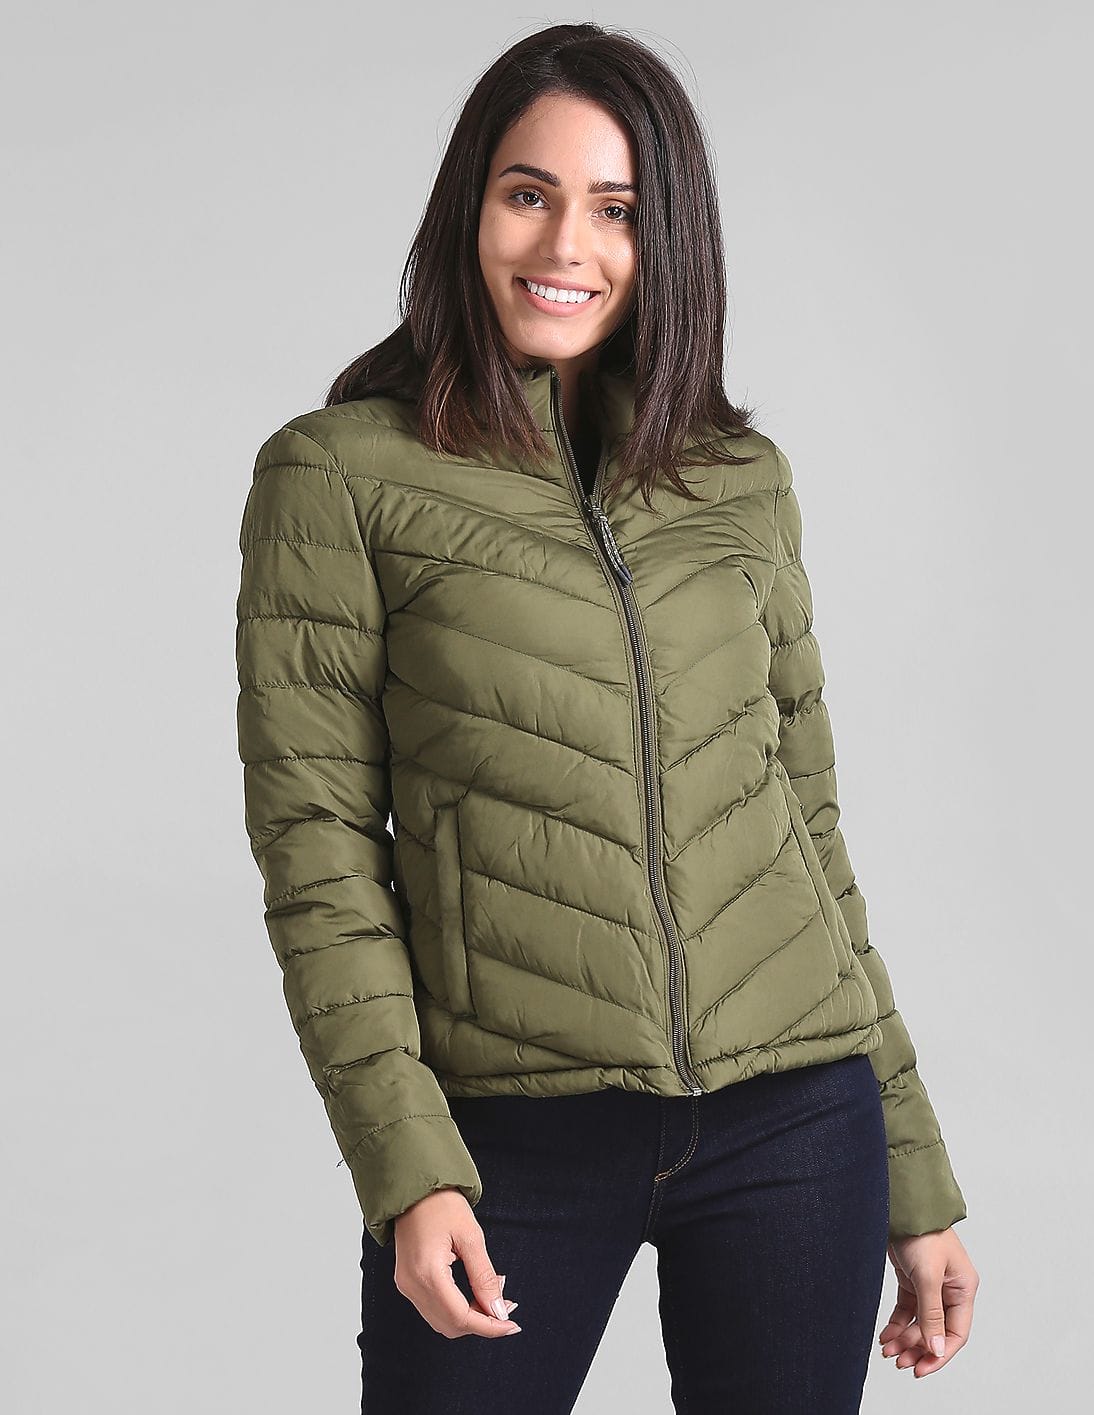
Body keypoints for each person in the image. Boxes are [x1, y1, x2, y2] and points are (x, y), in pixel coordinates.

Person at [234, 21, 979, 1413]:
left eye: (617, 209)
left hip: (794, 1122)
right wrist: (406, 1167)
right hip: (505, 1140)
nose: (565, 244)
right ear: (469, 209)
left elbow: (807, 834)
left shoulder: (738, 478)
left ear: (666, 237)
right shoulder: (338, 476)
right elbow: (318, 854)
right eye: (528, 194)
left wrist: (914, 1173)